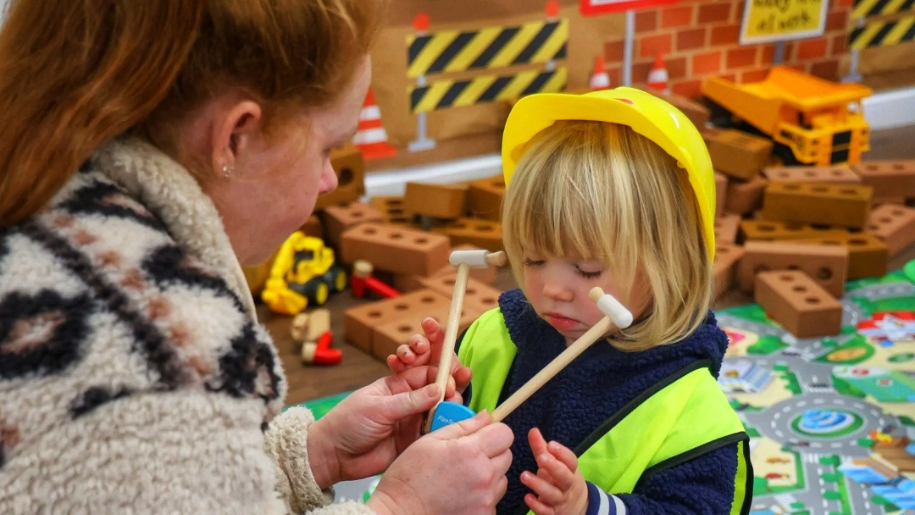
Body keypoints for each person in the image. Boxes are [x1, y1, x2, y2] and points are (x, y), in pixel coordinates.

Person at [0, 1, 513, 514]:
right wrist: (405, 507)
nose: (331, 180)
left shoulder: (55, 214)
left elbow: (156, 489)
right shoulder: (165, 358)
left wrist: (312, 456)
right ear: (235, 136)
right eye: (328, 149)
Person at [389, 87, 753, 515]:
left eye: (588, 270)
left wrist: (592, 507)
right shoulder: (493, 337)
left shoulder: (693, 417)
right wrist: (437, 404)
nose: (551, 290)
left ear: (669, 262)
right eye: (534, 259)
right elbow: (453, 453)